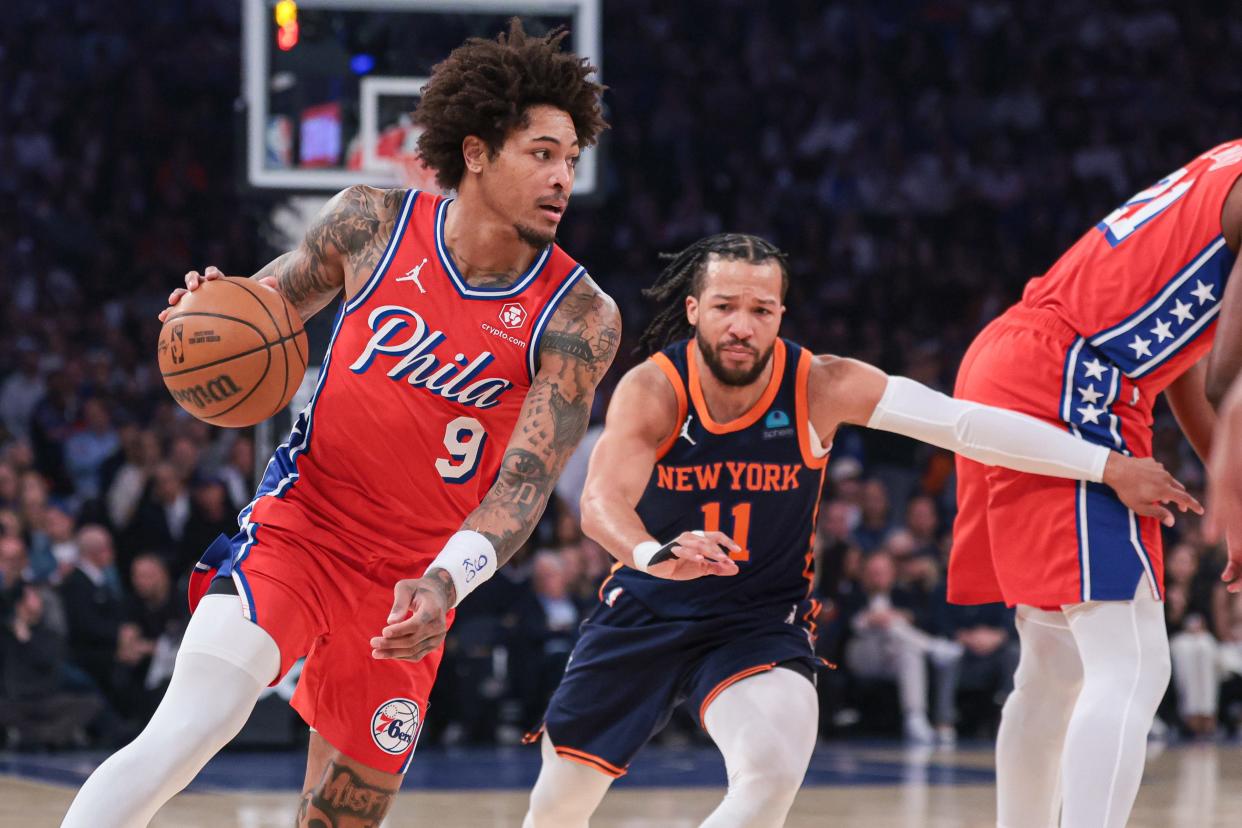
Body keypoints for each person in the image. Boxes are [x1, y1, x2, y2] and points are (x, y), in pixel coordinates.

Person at [62, 20, 616, 827]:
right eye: (542, 152)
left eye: (571, 157)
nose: (563, 175)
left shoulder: (579, 316)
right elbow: (262, 314)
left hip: (412, 582)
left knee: (341, 820)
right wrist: (208, 309)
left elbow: (524, 487)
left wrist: (444, 582)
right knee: (191, 727)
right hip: (301, 527)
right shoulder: (370, 223)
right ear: (475, 152)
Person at [522, 233, 1196, 828]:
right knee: (556, 810)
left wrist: (1106, 465)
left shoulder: (821, 382)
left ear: (780, 315)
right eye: (725, 306)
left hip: (758, 621)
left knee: (769, 780)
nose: (741, 325)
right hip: (645, 613)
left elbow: (963, 425)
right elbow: (600, 503)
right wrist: (653, 551)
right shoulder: (655, 388)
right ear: (695, 311)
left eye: (760, 309)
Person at [949, 140, 1242, 828]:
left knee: (1053, 668)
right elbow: (1232, 381)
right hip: (1071, 379)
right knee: (1134, 663)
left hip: (1013, 362)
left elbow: (1193, 376)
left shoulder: (1226, 165)